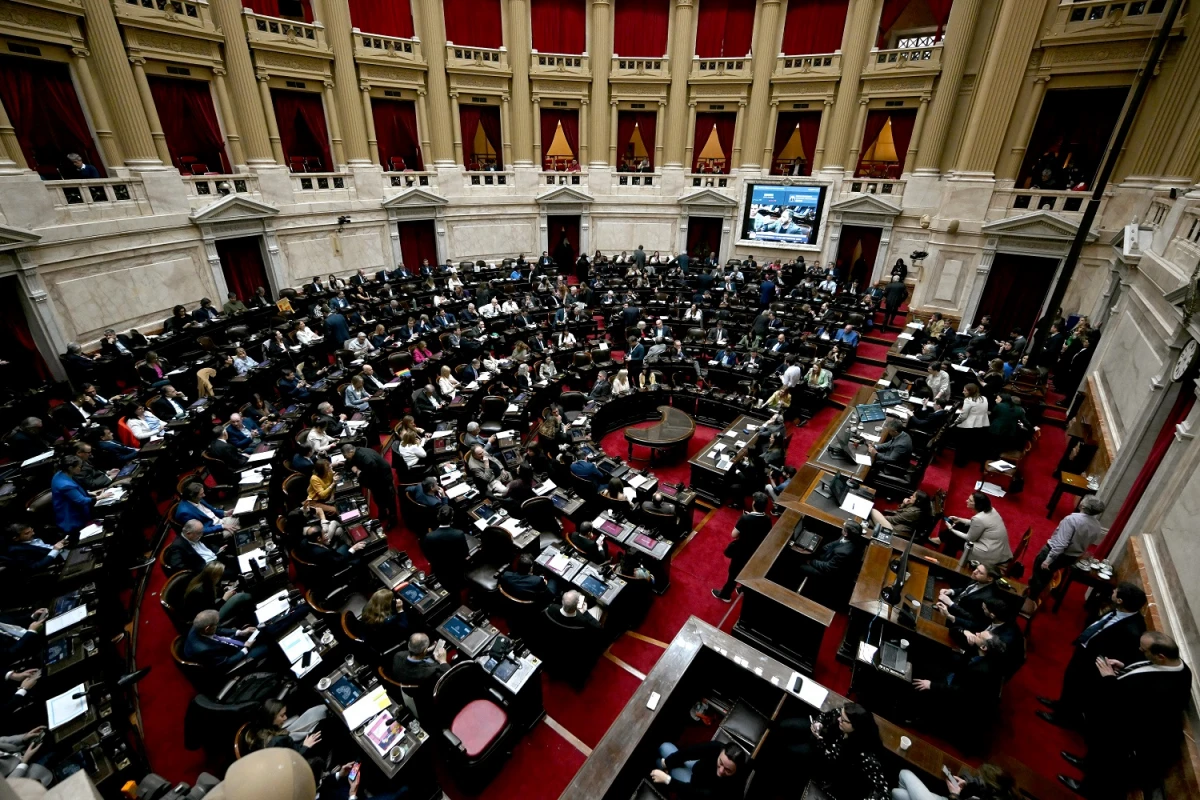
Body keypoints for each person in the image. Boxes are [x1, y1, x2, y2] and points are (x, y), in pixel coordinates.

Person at [1061, 631, 1192, 798]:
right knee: (1098, 755)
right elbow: (1144, 673)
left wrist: (1109, 679)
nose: (1139, 650)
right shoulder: (1174, 664)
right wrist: (1125, 668)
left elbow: (1129, 708)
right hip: (1121, 724)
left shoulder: (1168, 688)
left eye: (1144, 650)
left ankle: (1088, 789)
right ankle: (1086, 764)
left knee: (1106, 765)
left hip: (1129, 735)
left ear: (1160, 656)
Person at [1037, 582, 1146, 729]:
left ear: (1120, 601)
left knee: (1078, 689)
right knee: (1070, 681)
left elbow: (1120, 653)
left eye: (1116, 592)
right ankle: (1060, 704)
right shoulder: (1118, 610)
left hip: (1093, 662)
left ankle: (1062, 717)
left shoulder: (1134, 630)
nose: (1113, 592)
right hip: (1085, 650)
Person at [771, 703, 888, 800]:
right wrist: (819, 723)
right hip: (822, 737)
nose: (838, 719)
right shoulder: (845, 715)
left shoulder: (866, 755)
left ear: (856, 726)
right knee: (784, 725)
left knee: (790, 751)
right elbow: (826, 715)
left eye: (843, 720)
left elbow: (882, 790)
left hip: (824, 762)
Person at [1027, 496, 1106, 599]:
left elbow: (1061, 544)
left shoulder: (1072, 520)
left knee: (1039, 575)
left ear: (1082, 505)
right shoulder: (1097, 526)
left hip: (1056, 554)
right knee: (1046, 574)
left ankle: (1030, 600)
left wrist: (1048, 560)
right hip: (1071, 557)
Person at [713, 493, 772, 602]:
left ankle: (725, 595)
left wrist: (743, 519)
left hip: (742, 551)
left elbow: (734, 534)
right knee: (749, 572)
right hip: (756, 551)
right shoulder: (768, 519)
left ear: (754, 503)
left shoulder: (745, 518)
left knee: (733, 574)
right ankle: (743, 589)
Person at [650, 740, 748, 797]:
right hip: (697, 770)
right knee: (664, 747)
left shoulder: (733, 786)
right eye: (720, 762)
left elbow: (697, 794)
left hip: (696, 789)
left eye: (728, 770)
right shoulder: (717, 747)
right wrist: (667, 763)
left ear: (736, 770)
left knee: (657, 762)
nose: (721, 771)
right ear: (721, 751)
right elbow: (691, 751)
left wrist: (667, 780)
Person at [936, 492, 1010, 565]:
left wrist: (951, 529)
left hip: (988, 551)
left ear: (978, 505)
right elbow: (979, 524)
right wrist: (960, 519)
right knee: (961, 525)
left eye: (970, 500)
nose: (966, 501)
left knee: (953, 537)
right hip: (997, 548)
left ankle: (945, 562)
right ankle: (940, 540)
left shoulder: (979, 518)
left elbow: (969, 538)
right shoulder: (991, 510)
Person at [796, 520, 862, 599]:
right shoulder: (851, 538)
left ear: (846, 533)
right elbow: (836, 543)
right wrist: (822, 548)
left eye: (843, 528)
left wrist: (811, 561)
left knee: (801, 565)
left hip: (829, 574)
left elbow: (828, 568)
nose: (842, 528)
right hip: (828, 558)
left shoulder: (843, 552)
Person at [935, 562, 1004, 633]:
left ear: (989, 579)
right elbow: (966, 590)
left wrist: (951, 604)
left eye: (980, 572)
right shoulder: (978, 579)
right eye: (977, 569)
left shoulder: (987, 597)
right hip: (949, 607)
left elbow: (971, 617)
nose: (974, 572)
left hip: (956, 621)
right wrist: (951, 591)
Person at [388, 633, 449, 708]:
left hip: (407, 689)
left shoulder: (398, 656)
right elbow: (448, 678)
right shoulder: (429, 673)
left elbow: (414, 654)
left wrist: (427, 650)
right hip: (425, 697)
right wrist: (443, 661)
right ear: (424, 651)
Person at [244, 699, 325, 757]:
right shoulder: (279, 741)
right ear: (271, 718)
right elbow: (293, 760)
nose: (285, 718)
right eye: (282, 716)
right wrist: (306, 746)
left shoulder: (257, 732)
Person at [341, 443, 396, 526]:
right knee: (378, 498)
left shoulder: (366, 458)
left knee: (389, 499)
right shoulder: (355, 453)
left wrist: (358, 473)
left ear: (351, 452)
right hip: (374, 481)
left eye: (345, 456)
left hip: (383, 478)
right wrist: (354, 469)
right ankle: (383, 513)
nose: (345, 458)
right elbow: (349, 463)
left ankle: (393, 519)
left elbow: (372, 472)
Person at [182, 561, 253, 625]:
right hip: (206, 619)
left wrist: (222, 591)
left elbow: (211, 600)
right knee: (242, 596)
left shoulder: (202, 581)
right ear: (214, 576)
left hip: (209, 609)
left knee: (235, 596)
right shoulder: (200, 591)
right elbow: (211, 609)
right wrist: (224, 598)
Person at [422, 505, 468, 593]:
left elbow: (427, 553)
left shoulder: (429, 536)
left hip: (438, 568)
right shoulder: (459, 534)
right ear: (452, 518)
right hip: (456, 568)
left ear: (438, 517)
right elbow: (465, 553)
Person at [51, 456, 94, 534]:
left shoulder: (59, 474)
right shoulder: (65, 485)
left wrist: (89, 493)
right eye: (79, 467)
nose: (81, 469)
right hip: (73, 519)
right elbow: (82, 501)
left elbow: (74, 491)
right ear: (70, 468)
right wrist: (99, 497)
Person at [952, 384, 990, 466]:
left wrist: (955, 422)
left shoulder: (968, 400)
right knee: (969, 445)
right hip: (980, 426)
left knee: (961, 445)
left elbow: (963, 416)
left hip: (967, 426)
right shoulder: (984, 398)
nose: (963, 392)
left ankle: (959, 463)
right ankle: (966, 460)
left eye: (965, 391)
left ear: (970, 392)